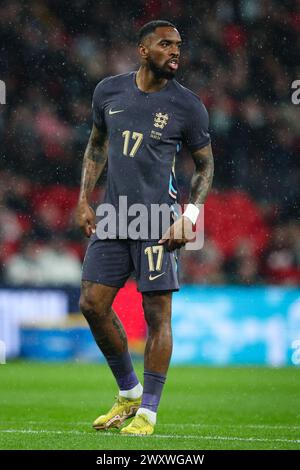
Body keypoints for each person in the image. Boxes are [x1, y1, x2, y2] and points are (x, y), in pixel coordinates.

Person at [77, 20, 214, 436]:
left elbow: (205, 165)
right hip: (113, 217)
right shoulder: (109, 91)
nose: (175, 52)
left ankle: (148, 414)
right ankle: (129, 392)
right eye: (165, 45)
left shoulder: (188, 105)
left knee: (157, 314)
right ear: (142, 50)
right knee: (92, 304)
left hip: (157, 221)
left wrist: (189, 218)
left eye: (179, 45)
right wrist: (84, 197)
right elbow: (97, 144)